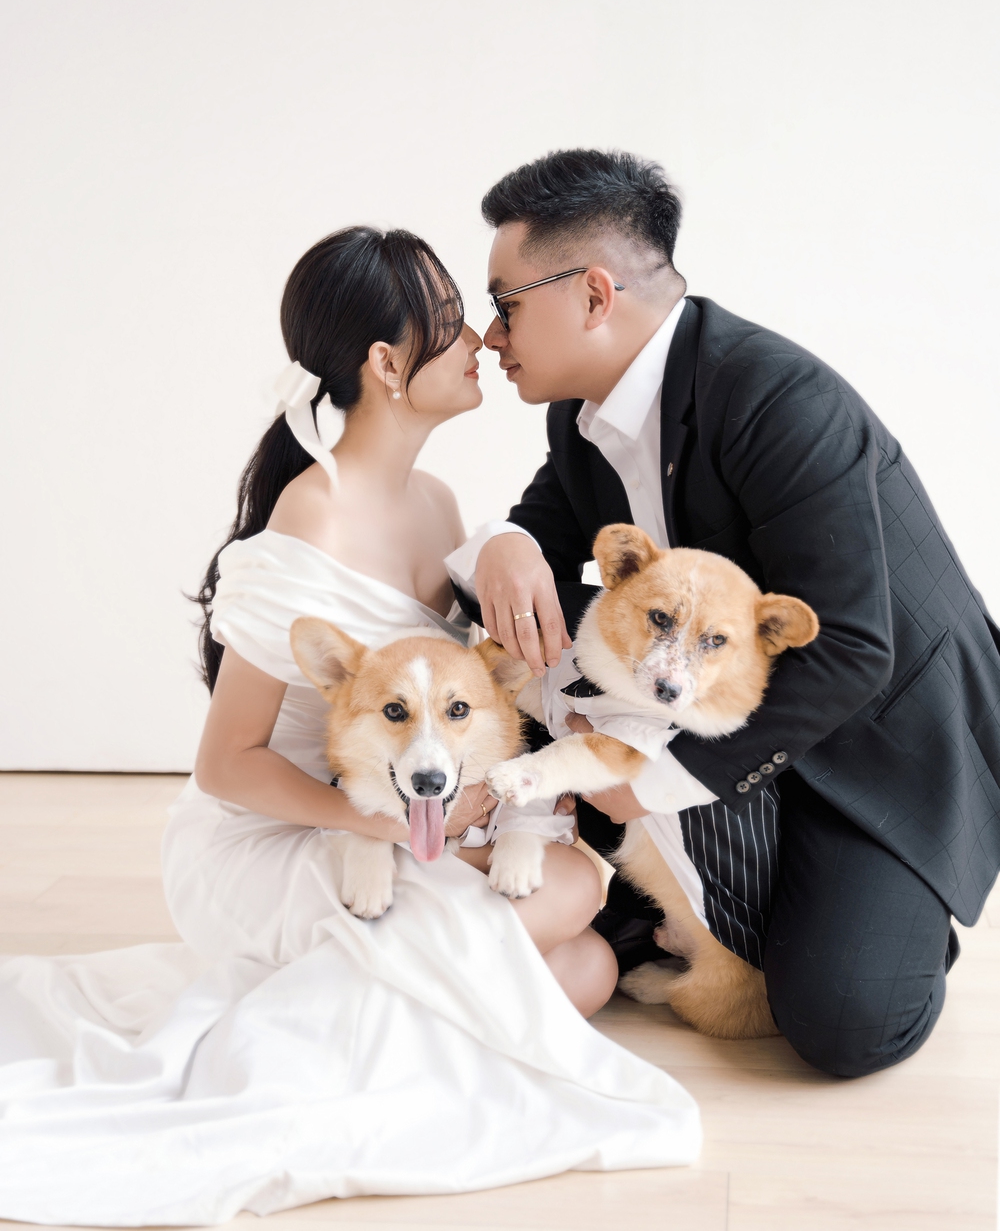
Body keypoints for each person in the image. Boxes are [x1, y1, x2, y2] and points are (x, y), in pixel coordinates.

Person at [0, 226, 700, 1227]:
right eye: (455, 327)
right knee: (575, 903)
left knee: (586, 957)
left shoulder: (434, 499)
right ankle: (347, 1035)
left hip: (391, 817)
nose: (482, 347)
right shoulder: (310, 518)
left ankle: (397, 1010)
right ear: (384, 364)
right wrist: (375, 826)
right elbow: (225, 764)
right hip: (277, 835)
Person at [448, 148, 1000, 1080]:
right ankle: (697, 893)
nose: (487, 337)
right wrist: (504, 537)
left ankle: (875, 906)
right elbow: (539, 542)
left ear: (592, 294)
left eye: (503, 305)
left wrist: (655, 778)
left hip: (877, 736)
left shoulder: (777, 399)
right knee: (560, 641)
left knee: (846, 1022)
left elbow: (859, 649)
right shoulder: (583, 414)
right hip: (713, 700)